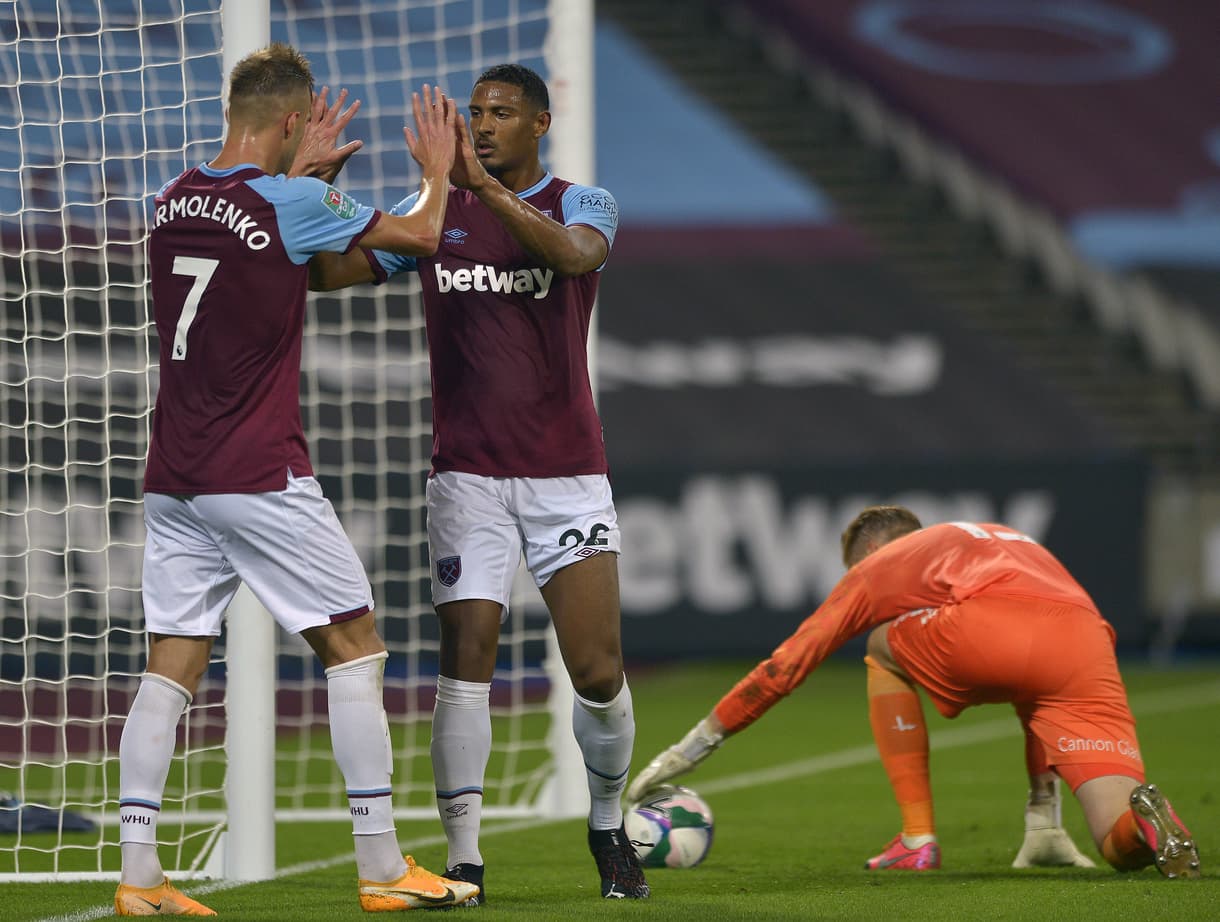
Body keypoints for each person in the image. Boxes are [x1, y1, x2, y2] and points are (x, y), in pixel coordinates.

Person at [114, 43, 481, 915]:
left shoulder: (173, 199)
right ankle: (384, 865)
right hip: (258, 471)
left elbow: (298, 275)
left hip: (174, 476)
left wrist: (311, 182)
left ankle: (138, 880)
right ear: (289, 121)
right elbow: (424, 234)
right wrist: (436, 171)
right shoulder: (292, 199)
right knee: (355, 647)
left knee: (169, 665)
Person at [307, 63, 647, 902]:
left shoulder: (583, 202)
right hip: (467, 478)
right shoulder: (437, 218)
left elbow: (572, 258)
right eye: (474, 113)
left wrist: (482, 193)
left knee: (597, 670)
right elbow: (323, 277)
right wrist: (321, 192)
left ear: (540, 123)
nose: (482, 125)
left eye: (500, 114)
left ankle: (607, 825)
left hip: (569, 478)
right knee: (466, 662)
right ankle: (465, 861)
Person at [627, 505, 1202, 880]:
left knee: (879, 645)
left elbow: (785, 667)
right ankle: (1139, 825)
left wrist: (693, 747)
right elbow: (1036, 665)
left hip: (989, 630)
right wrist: (1043, 813)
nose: (856, 583)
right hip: (1086, 643)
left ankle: (917, 838)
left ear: (866, 557)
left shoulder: (879, 567)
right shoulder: (1003, 539)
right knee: (1115, 843)